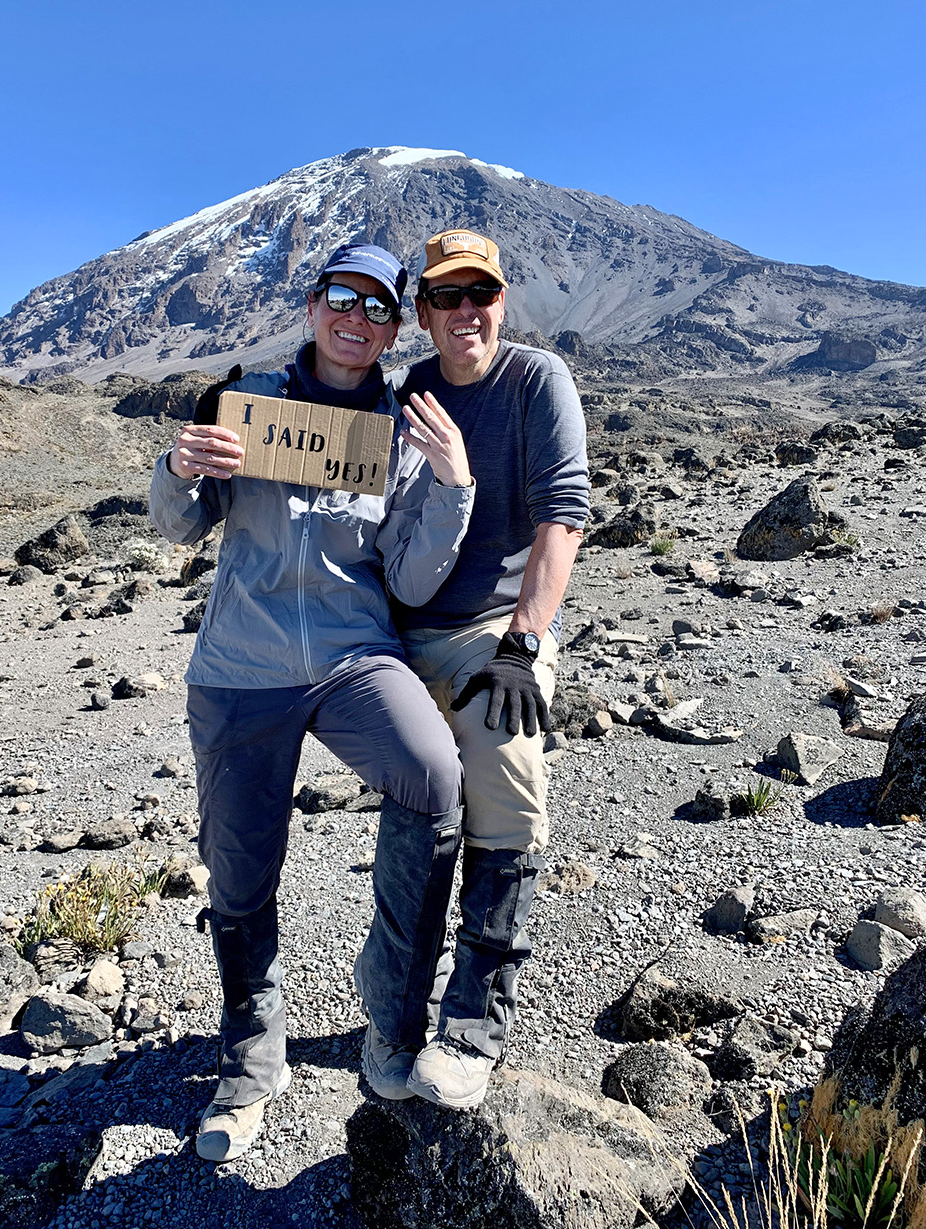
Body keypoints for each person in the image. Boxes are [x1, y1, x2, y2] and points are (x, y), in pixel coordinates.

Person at [149, 243, 475, 1161]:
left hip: (350, 659)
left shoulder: (399, 428)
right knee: (240, 871)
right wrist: (180, 466)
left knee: (432, 776)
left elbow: (411, 578)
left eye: (378, 307)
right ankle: (253, 1060)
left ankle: (392, 1009)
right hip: (240, 670)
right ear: (312, 304)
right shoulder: (246, 399)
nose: (357, 318)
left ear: (395, 326)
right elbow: (178, 525)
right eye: (343, 297)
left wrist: (451, 488)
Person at [388, 229, 590, 1109]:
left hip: (490, 630)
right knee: (419, 806)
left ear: (502, 301)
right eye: (447, 298)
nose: (466, 312)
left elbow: (562, 517)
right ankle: (390, 1006)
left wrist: (525, 642)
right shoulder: (414, 390)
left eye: (482, 295)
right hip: (406, 630)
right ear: (424, 313)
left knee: (503, 767)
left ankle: (473, 1022)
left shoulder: (537, 381)